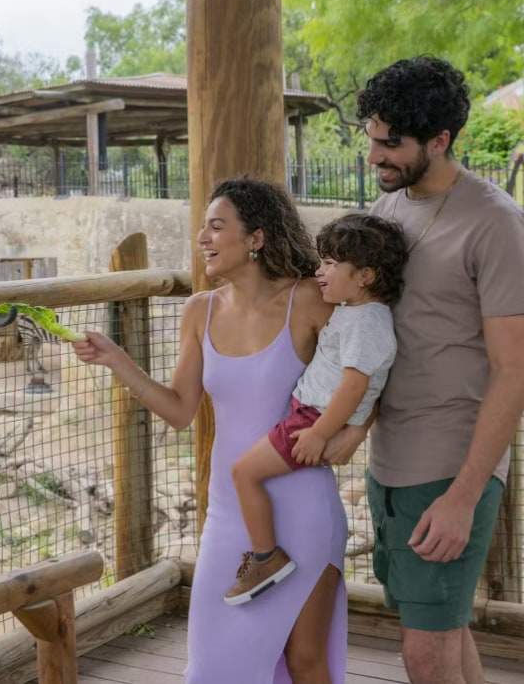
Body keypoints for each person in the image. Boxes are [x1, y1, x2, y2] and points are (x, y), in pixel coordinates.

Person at [74, 177, 348, 683]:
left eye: (216, 226)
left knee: (304, 661)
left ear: (256, 239)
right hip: (228, 514)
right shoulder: (198, 310)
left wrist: (350, 435)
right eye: (202, 227)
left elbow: (372, 366)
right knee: (210, 666)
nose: (203, 237)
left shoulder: (310, 300)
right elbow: (181, 410)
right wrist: (117, 361)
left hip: (304, 506)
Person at [322, 56, 524, 684]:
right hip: (392, 461)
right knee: (444, 633)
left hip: (450, 469)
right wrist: (358, 432)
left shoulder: (497, 223)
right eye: (371, 139)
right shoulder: (389, 211)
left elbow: (512, 369)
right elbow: (385, 343)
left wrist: (464, 497)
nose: (374, 157)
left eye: (390, 145)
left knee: (425, 653)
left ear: (440, 140)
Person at [225, 214, 408, 606]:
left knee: (243, 473)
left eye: (329, 264)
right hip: (310, 415)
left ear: (365, 276)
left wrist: (321, 432)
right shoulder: (355, 312)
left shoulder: (368, 321)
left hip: (312, 420)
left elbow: (355, 385)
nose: (318, 270)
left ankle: (265, 557)